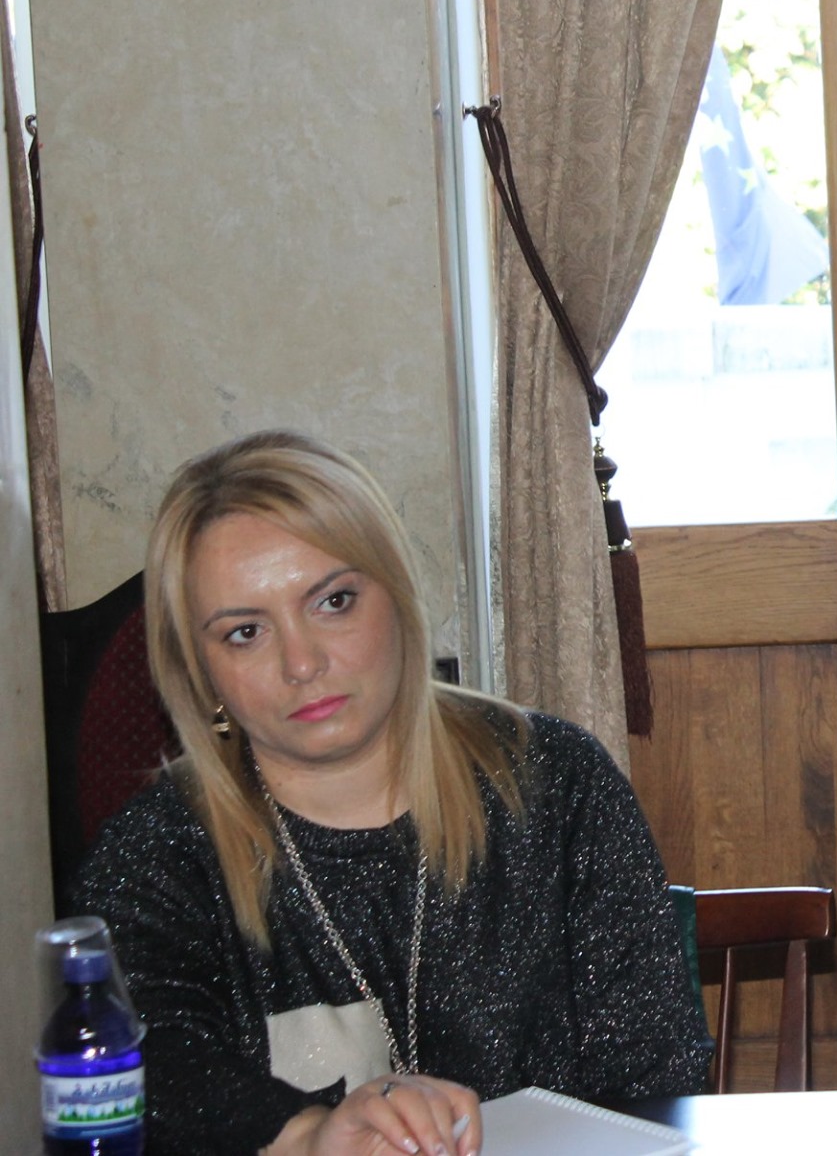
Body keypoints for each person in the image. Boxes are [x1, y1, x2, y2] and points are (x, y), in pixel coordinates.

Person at [71, 431, 713, 1156]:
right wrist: (308, 1135)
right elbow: (144, 1060)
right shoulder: (157, 849)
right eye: (245, 632)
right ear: (199, 670)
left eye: (334, 601)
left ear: (398, 596)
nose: (302, 662)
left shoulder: (556, 783)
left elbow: (656, 1070)